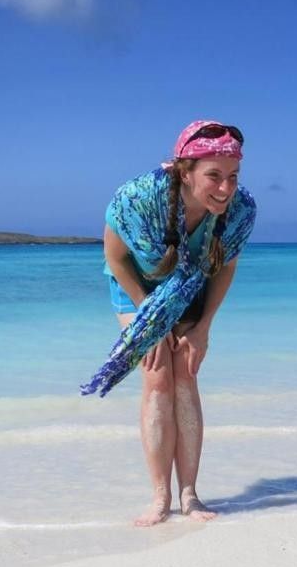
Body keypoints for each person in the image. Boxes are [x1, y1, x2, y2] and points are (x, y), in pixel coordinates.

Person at [102, 120, 256, 526]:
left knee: (185, 374)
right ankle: (160, 495)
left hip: (190, 287)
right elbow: (115, 258)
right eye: (214, 176)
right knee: (157, 377)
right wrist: (151, 321)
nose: (225, 188)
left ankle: (189, 493)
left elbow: (225, 268)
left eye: (233, 176)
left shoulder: (239, 210)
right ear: (185, 172)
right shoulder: (138, 197)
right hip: (137, 288)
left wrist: (203, 328)